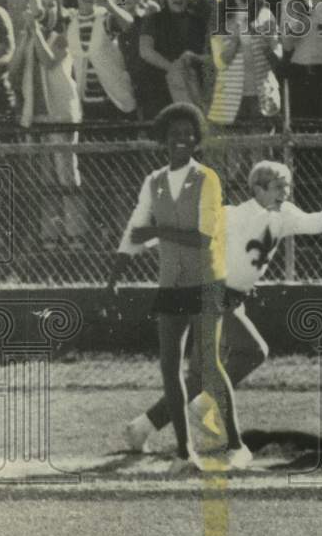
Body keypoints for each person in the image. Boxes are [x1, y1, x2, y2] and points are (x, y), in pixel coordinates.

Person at [124, 160, 322, 453]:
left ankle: (143, 427)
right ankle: (192, 413)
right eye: (278, 188)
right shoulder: (234, 215)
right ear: (258, 189)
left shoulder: (285, 214)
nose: (285, 194)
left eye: (287, 187)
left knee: (210, 369)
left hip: (232, 300)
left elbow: (311, 223)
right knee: (248, 353)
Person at [107, 103, 252, 474]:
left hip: (206, 281)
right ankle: (184, 452)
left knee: (208, 365)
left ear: (197, 139)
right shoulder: (153, 181)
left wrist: (156, 232)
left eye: (189, 133)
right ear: (164, 138)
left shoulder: (208, 178)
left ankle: (237, 445)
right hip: (170, 284)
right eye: (175, 134)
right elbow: (134, 227)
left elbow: (203, 237)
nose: (182, 139)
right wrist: (113, 277)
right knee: (169, 366)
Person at [9, 0, 87, 250]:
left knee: (67, 174)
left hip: (62, 113)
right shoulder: (32, 33)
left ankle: (75, 234)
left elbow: (49, 59)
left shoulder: (67, 26)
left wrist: (35, 32)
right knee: (46, 178)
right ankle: (50, 235)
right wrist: (26, 36)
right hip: (38, 114)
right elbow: (13, 71)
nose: (41, 2)